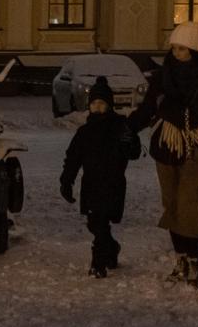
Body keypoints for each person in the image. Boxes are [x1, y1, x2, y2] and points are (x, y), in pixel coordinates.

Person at [127, 21, 198, 288]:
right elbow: (149, 108)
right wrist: (127, 128)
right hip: (166, 147)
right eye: (174, 48)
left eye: (182, 49)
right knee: (171, 205)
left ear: (194, 49)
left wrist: (166, 108)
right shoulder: (163, 77)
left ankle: (195, 262)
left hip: (197, 148)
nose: (176, 53)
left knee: (186, 205)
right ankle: (180, 259)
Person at [59, 76, 141, 277]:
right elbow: (73, 158)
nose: (97, 107)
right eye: (94, 103)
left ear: (109, 105)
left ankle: (98, 263)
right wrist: (66, 182)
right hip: (91, 184)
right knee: (94, 223)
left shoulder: (120, 127)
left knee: (101, 221)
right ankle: (111, 249)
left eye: (102, 103)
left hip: (113, 183)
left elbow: (134, 153)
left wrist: (129, 141)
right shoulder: (84, 132)